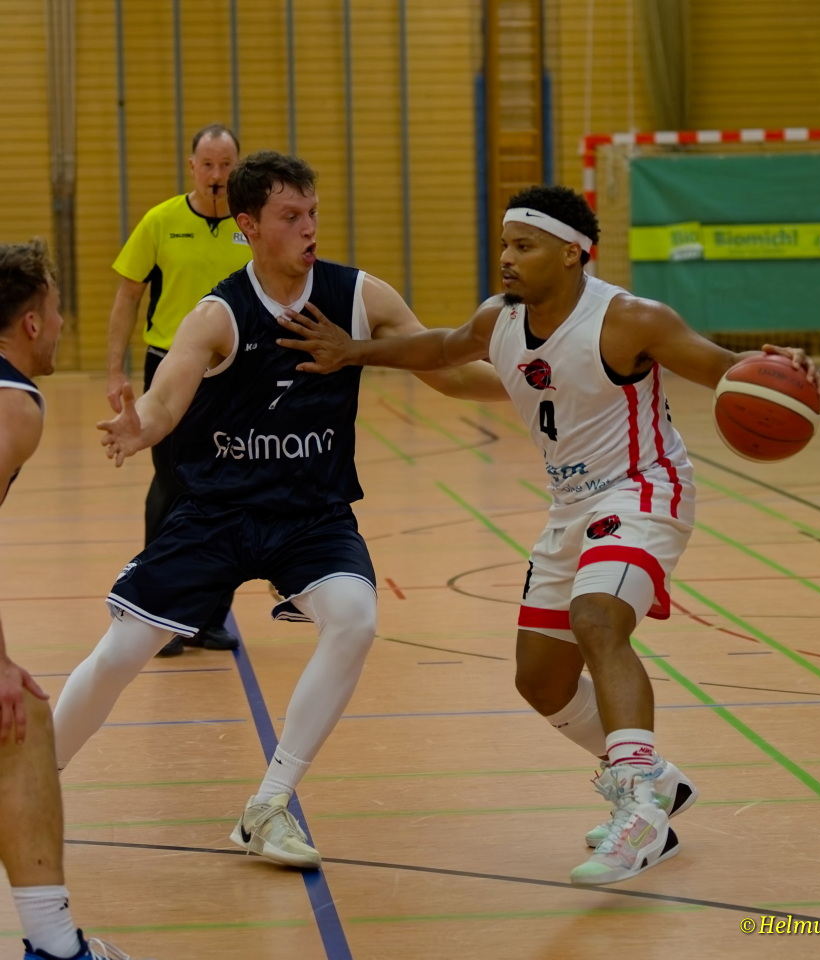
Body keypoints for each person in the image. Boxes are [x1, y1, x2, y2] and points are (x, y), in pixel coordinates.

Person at [276, 184, 820, 886]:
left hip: (644, 488)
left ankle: (640, 811)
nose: (507, 257)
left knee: (597, 618)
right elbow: (444, 347)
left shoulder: (630, 320)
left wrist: (781, 366)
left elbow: (725, 369)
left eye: (524, 246)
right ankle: (656, 776)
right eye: (506, 244)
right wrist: (352, 352)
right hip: (570, 506)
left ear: (572, 254)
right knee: (540, 679)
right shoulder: (499, 318)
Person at [51, 151, 506, 870]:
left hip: (311, 515)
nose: (309, 227)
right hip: (219, 513)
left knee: (354, 619)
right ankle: (28, 784)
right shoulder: (218, 314)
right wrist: (141, 426)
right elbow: (167, 398)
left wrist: (540, 385)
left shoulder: (359, 296)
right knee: (121, 652)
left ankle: (268, 806)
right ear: (250, 225)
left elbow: (446, 373)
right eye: (291, 216)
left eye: (313, 213)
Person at [0, 240, 151, 960]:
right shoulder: (15, 405)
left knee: (23, 723)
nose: (63, 325)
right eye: (57, 311)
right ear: (32, 322)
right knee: (18, 722)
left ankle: (55, 945)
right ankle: (58, 949)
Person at [106, 123, 252, 657]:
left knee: (230, 488)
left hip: (236, 370)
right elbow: (127, 296)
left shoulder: (251, 224)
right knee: (170, 483)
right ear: (192, 167)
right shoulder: (161, 221)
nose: (217, 175)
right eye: (208, 165)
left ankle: (207, 617)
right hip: (169, 367)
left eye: (226, 165)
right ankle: (158, 611)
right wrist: (114, 371)